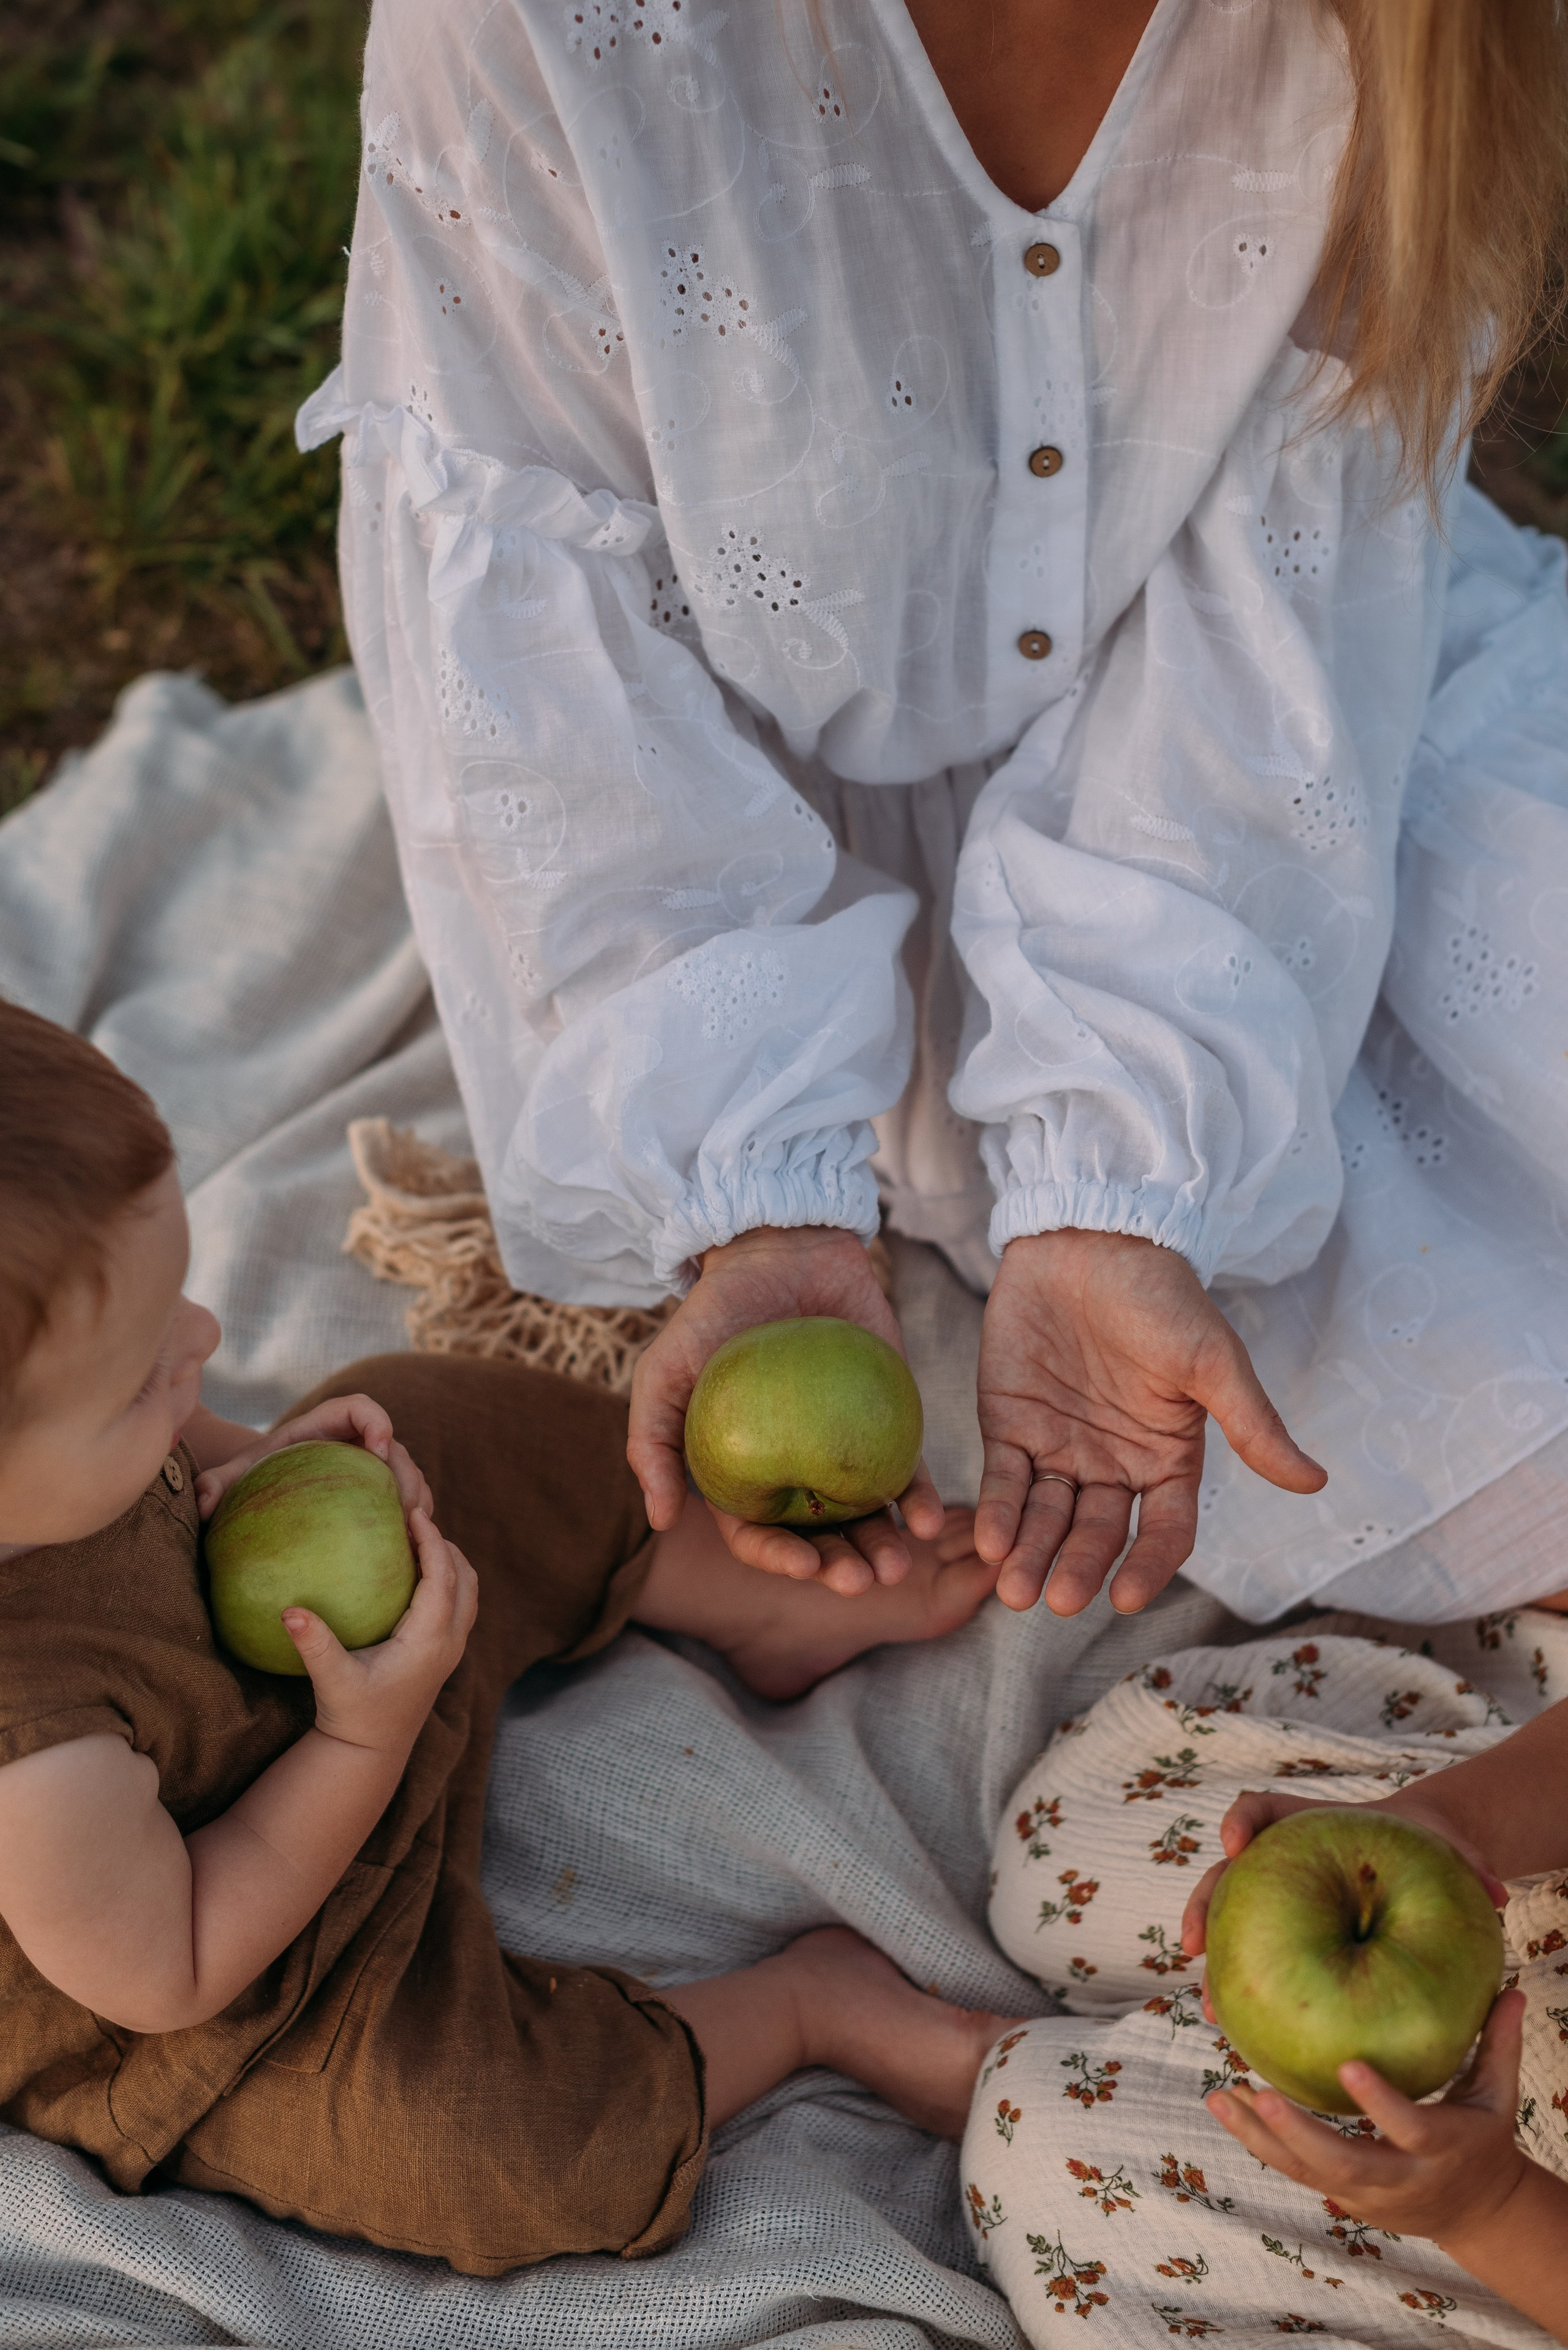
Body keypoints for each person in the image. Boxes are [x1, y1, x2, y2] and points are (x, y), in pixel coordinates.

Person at [300, 0, 1568, 1629]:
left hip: (1266, 780)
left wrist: (1123, 1175)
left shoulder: (1404, 33)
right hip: (757, 835)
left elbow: (1278, 610)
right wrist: (759, 1194)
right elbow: (554, 665)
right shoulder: (544, 27)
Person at [0, 999, 1019, 2273]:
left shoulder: (48, 1456)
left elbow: (185, 1472)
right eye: (146, 1371)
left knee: (433, 1410)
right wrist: (362, 1736)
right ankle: (813, 2008)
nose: (202, 1343)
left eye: (182, 1301)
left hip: (305, 1659)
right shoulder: (30, 1762)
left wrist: (266, 1468)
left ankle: (754, 1597)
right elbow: (180, 1963)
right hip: (259, 1968)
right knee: (484, 2147)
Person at [960, 1603, 1568, 2347]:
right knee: (1050, 1867)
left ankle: (964, 2059)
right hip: (1521, 1878)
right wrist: (1440, 1821)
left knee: (1039, 2161)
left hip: (1526, 2198)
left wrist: (1487, 2207)